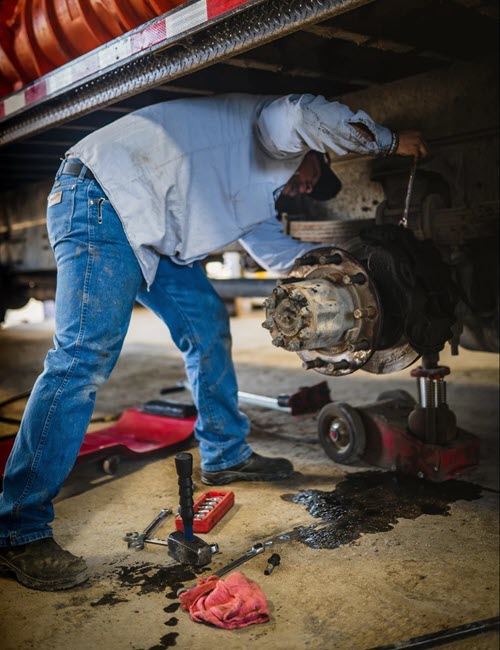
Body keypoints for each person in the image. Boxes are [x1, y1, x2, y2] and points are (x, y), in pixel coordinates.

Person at [0, 93, 427, 590]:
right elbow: (304, 113)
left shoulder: (258, 204)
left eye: (313, 186)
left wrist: (355, 265)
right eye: (316, 170)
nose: (311, 183)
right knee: (82, 359)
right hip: (104, 199)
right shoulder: (276, 129)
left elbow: (284, 257)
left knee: (207, 325)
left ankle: (226, 454)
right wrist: (391, 141)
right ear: (308, 151)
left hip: (151, 230)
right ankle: (18, 529)